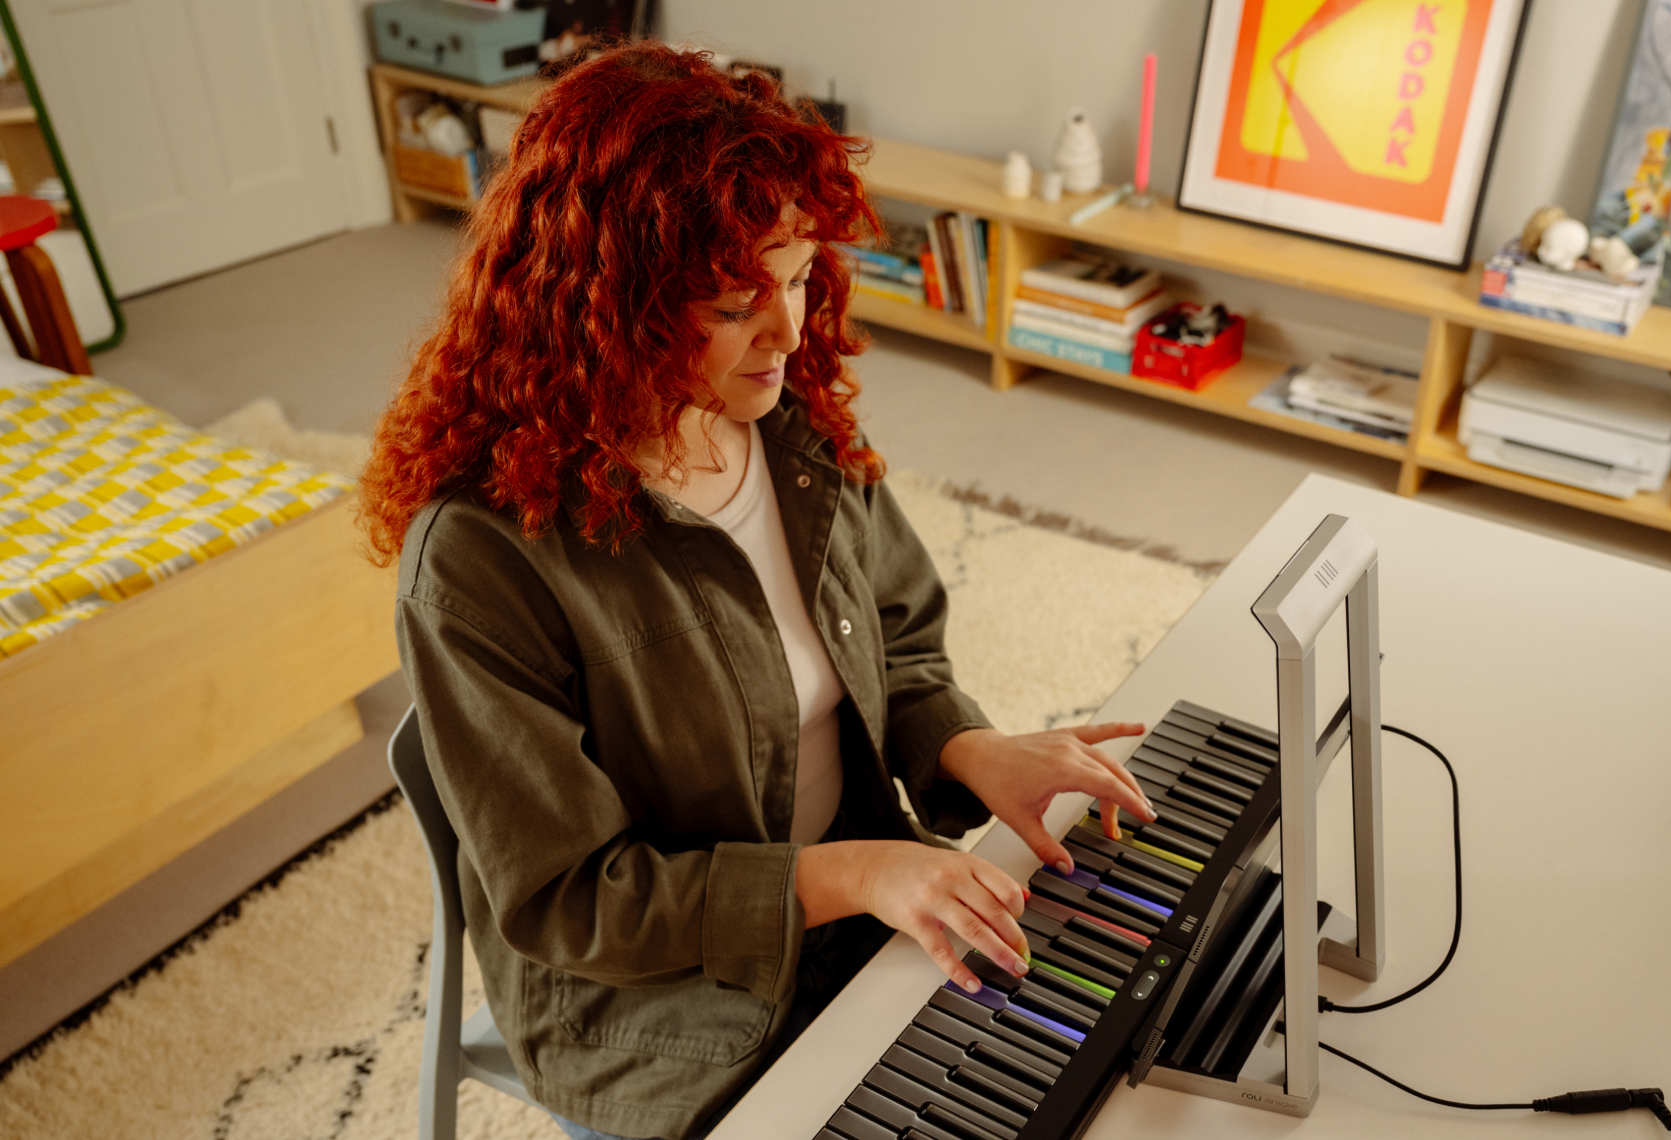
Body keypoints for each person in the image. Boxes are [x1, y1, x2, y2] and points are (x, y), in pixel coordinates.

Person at [356, 42, 1156, 1140]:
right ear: (604, 303)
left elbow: (901, 645)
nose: (788, 332)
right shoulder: (480, 557)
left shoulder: (789, 430)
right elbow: (572, 902)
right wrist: (856, 874)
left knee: (1115, 1047)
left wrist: (975, 752)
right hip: (661, 1008)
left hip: (851, 899)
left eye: (795, 279)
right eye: (738, 302)